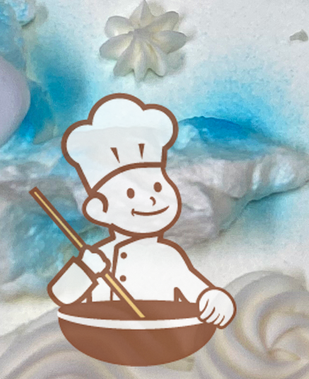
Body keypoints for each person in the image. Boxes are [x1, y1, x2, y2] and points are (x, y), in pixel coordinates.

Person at [47, 93, 236, 327]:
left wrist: (216, 301)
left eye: (157, 186)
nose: (151, 200)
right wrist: (86, 267)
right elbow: (64, 295)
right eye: (129, 193)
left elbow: (199, 293)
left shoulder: (168, 256)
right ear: (99, 209)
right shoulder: (100, 258)